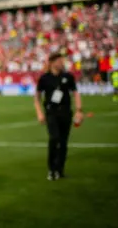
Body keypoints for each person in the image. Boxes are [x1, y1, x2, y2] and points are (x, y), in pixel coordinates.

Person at [34, 52, 83, 181]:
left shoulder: (68, 76)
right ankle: (51, 169)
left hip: (66, 112)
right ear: (52, 62)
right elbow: (37, 98)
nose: (62, 63)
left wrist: (79, 110)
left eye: (63, 61)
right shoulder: (44, 78)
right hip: (51, 113)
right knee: (54, 138)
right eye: (60, 61)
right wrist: (39, 113)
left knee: (63, 142)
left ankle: (59, 170)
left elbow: (75, 93)